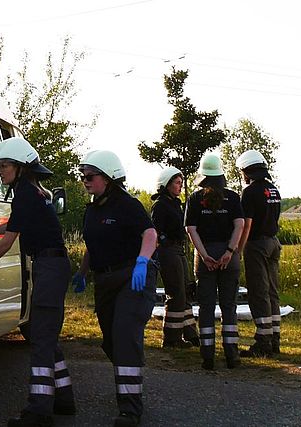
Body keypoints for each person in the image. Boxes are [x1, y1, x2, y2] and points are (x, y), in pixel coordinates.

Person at [0, 137, 76, 427]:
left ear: (21, 167)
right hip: (51, 265)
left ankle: (39, 411)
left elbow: (9, 241)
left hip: (49, 266)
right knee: (45, 332)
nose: (0, 170)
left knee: (40, 338)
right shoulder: (31, 192)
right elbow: (15, 226)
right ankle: (64, 399)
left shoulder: (25, 193)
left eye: (4, 165)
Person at [71, 150, 157, 427]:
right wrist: (82, 273)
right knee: (110, 341)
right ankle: (128, 376)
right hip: (105, 280)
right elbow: (92, 246)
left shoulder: (127, 205)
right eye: (82, 176)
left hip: (132, 277)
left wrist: (143, 262)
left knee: (124, 334)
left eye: (90, 176)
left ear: (108, 177)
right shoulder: (93, 209)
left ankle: (130, 410)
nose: (85, 181)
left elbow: (150, 234)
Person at [184, 153, 246, 370]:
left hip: (205, 256)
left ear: (203, 175)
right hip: (229, 256)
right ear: (221, 173)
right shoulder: (232, 197)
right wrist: (230, 251)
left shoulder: (194, 198)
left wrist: (203, 255)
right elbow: (239, 225)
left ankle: (208, 357)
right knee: (229, 306)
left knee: (206, 306)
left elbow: (191, 229)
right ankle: (232, 356)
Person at [236, 150, 283, 357]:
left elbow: (247, 225)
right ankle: (275, 339)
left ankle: (263, 343)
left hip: (257, 244)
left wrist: (238, 250)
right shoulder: (273, 190)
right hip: (274, 242)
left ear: (247, 171)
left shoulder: (249, 192)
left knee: (258, 292)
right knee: (272, 291)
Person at [151, 166, 199, 349]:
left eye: (181, 183)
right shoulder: (161, 205)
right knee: (176, 292)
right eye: (177, 183)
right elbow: (155, 231)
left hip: (178, 250)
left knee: (185, 291)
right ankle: (171, 338)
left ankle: (190, 333)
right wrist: (163, 242)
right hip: (168, 251)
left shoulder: (176, 204)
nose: (180, 186)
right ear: (166, 185)